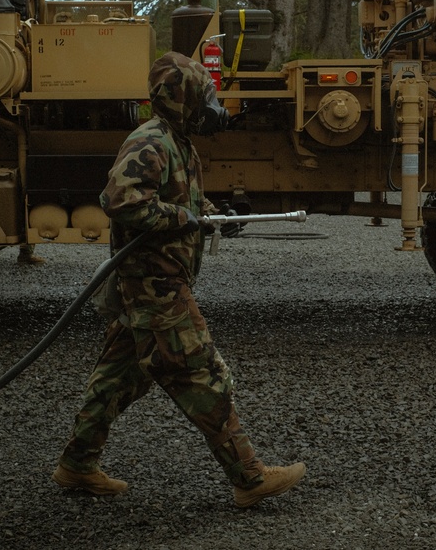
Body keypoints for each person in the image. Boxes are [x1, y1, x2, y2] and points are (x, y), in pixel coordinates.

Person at [52, 52, 305, 507]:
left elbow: (171, 199)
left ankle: (77, 465)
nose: (210, 105)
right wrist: (182, 217)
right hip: (155, 288)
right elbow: (121, 201)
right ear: (180, 97)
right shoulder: (150, 141)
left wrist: (206, 215)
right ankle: (249, 478)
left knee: (115, 378)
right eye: (202, 94)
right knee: (200, 373)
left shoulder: (177, 141)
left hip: (150, 287)